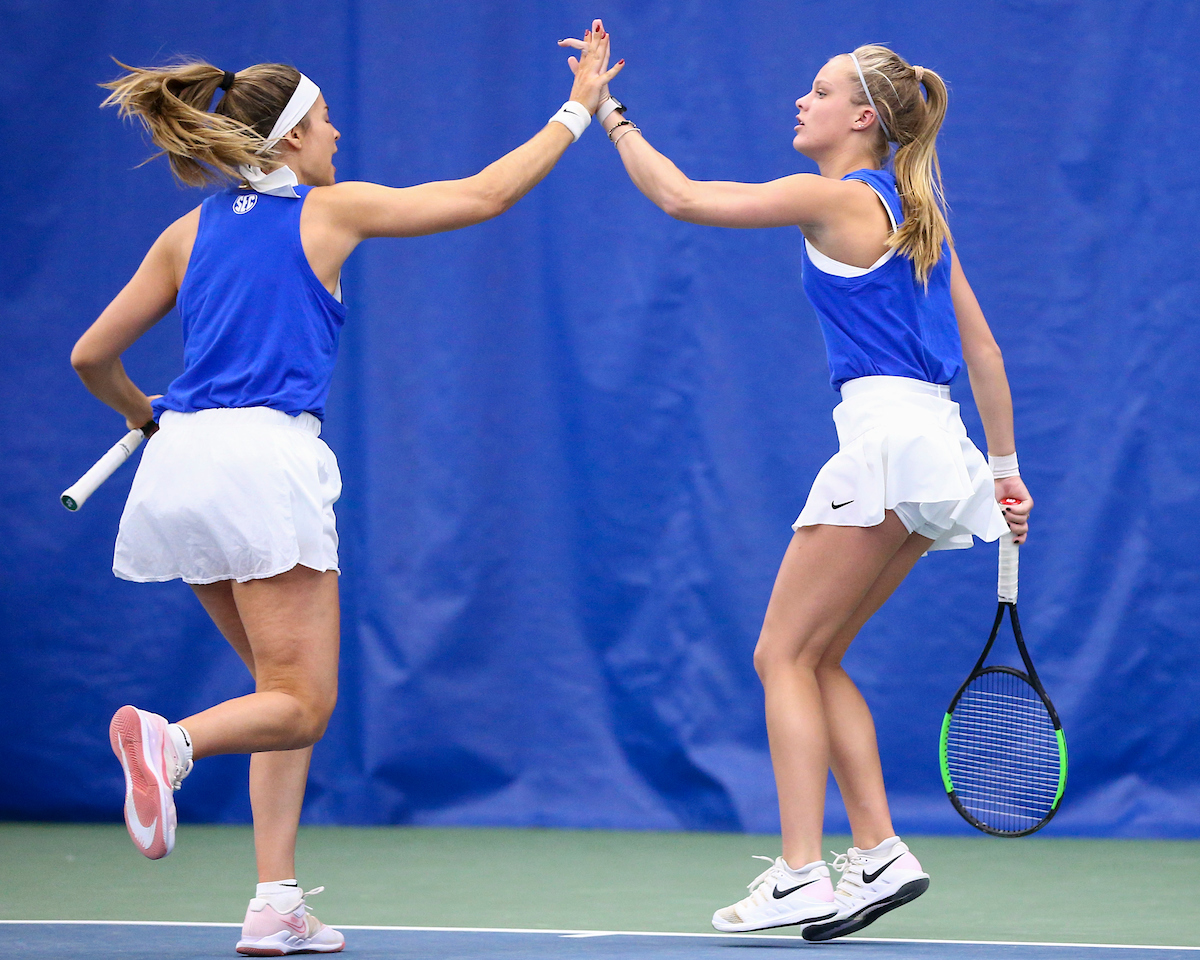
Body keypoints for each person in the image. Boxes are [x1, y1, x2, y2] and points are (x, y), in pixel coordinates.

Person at [73, 32, 622, 957]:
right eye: (325, 122)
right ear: (290, 140)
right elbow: (485, 195)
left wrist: (147, 416)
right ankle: (169, 746)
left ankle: (274, 901)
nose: (339, 134)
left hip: (181, 469)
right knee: (306, 703)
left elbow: (92, 356)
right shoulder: (331, 211)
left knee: (277, 694)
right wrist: (579, 106)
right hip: (261, 464)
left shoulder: (185, 233)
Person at [565, 25, 1033, 941]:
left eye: (818, 91)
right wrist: (1007, 474)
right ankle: (882, 851)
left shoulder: (836, 199)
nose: (800, 101)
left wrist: (602, 114)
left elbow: (683, 197)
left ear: (861, 118)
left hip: (888, 444)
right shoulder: (915, 212)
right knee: (817, 660)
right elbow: (982, 349)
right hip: (939, 449)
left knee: (780, 657)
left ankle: (797, 873)